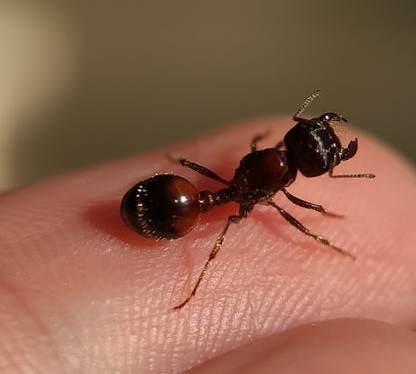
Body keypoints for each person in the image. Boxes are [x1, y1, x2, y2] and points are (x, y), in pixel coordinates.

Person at [1, 118, 415, 373]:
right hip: (176, 207)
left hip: (182, 196)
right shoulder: (267, 178)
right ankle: (202, 280)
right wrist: (319, 224)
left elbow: (257, 153)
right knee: (231, 229)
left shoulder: (263, 158)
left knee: (213, 201)